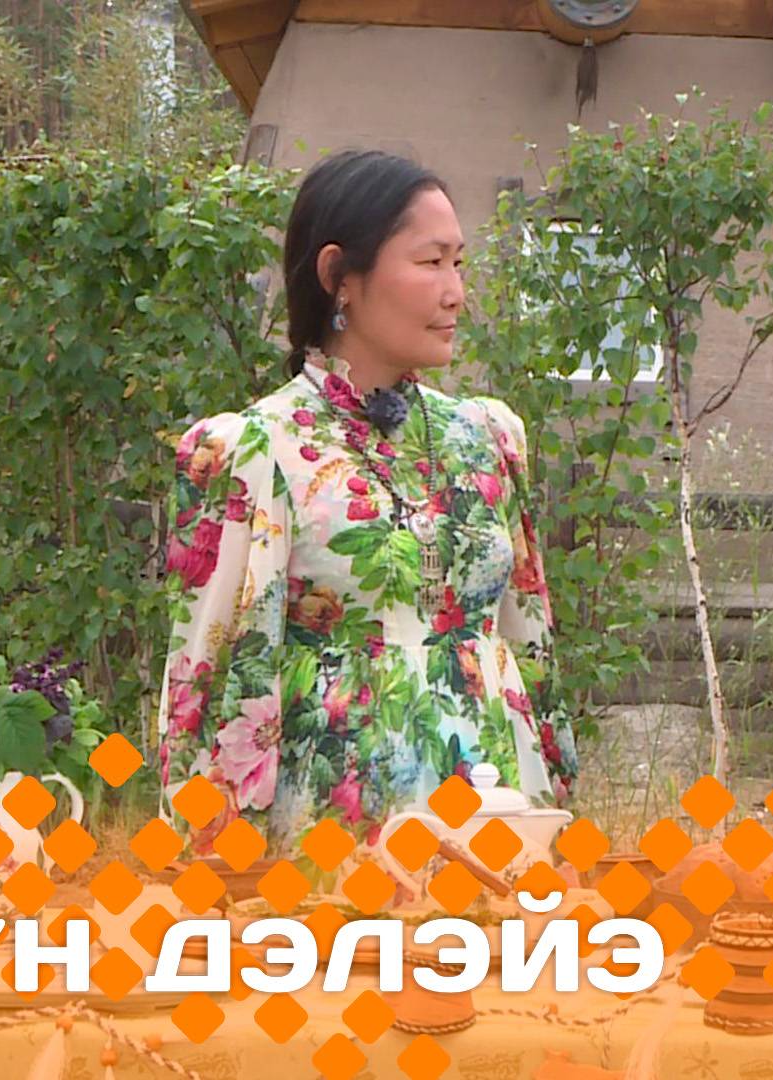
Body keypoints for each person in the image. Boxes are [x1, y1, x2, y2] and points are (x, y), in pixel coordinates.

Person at [158, 150, 576, 854]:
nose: (455, 293)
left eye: (459, 264)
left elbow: (530, 643)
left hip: (498, 822)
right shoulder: (257, 450)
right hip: (340, 839)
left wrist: (555, 808)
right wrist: (212, 868)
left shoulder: (487, 438)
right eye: (431, 262)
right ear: (339, 277)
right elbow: (209, 682)